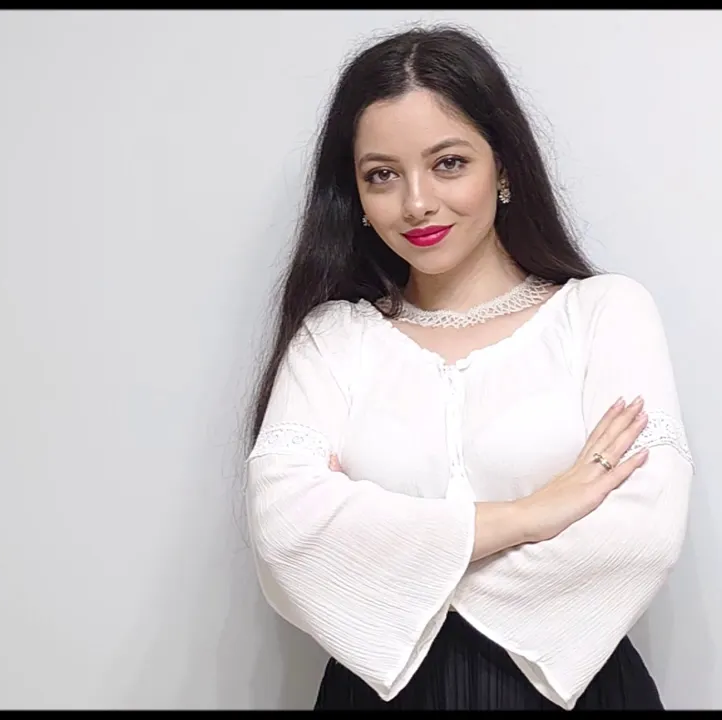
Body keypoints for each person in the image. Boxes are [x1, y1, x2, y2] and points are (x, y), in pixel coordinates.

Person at [243, 23, 694, 711]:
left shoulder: (604, 313)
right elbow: (286, 536)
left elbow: (642, 535)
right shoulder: (332, 339)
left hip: (572, 693)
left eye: (448, 163)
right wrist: (532, 514)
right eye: (382, 175)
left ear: (503, 167)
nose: (417, 202)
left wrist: (379, 559)